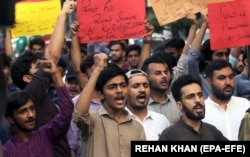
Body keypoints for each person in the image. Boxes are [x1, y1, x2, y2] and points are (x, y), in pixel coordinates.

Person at [9, 0, 77, 156]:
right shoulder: (30, 94)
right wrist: (63, 15)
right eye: (38, 67)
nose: (44, 68)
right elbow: (52, 56)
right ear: (27, 78)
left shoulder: (37, 96)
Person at [73, 53, 146, 157]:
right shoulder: (93, 121)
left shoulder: (137, 127)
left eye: (123, 85)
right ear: (101, 94)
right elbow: (79, 113)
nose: (119, 91)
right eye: (112, 87)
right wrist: (97, 70)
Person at [3, 59, 74, 157]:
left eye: (32, 108)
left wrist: (56, 74)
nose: (31, 115)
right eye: (23, 111)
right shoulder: (6, 151)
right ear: (11, 119)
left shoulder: (46, 135)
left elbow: (67, 112)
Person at [159, 74, 228, 141]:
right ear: (179, 105)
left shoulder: (213, 132)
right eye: (190, 97)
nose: (198, 100)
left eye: (200, 95)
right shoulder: (169, 136)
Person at [203, 60, 250, 140]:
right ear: (209, 81)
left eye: (231, 77)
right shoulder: (202, 110)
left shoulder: (246, 105)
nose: (228, 82)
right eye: (222, 78)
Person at [126, 69, 170, 140]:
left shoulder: (162, 120)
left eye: (145, 85)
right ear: (125, 91)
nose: (142, 90)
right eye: (136, 86)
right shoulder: (116, 122)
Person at [141, 56, 181, 123]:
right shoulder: (141, 106)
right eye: (158, 73)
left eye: (166, 72)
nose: (164, 76)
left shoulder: (178, 102)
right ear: (147, 77)